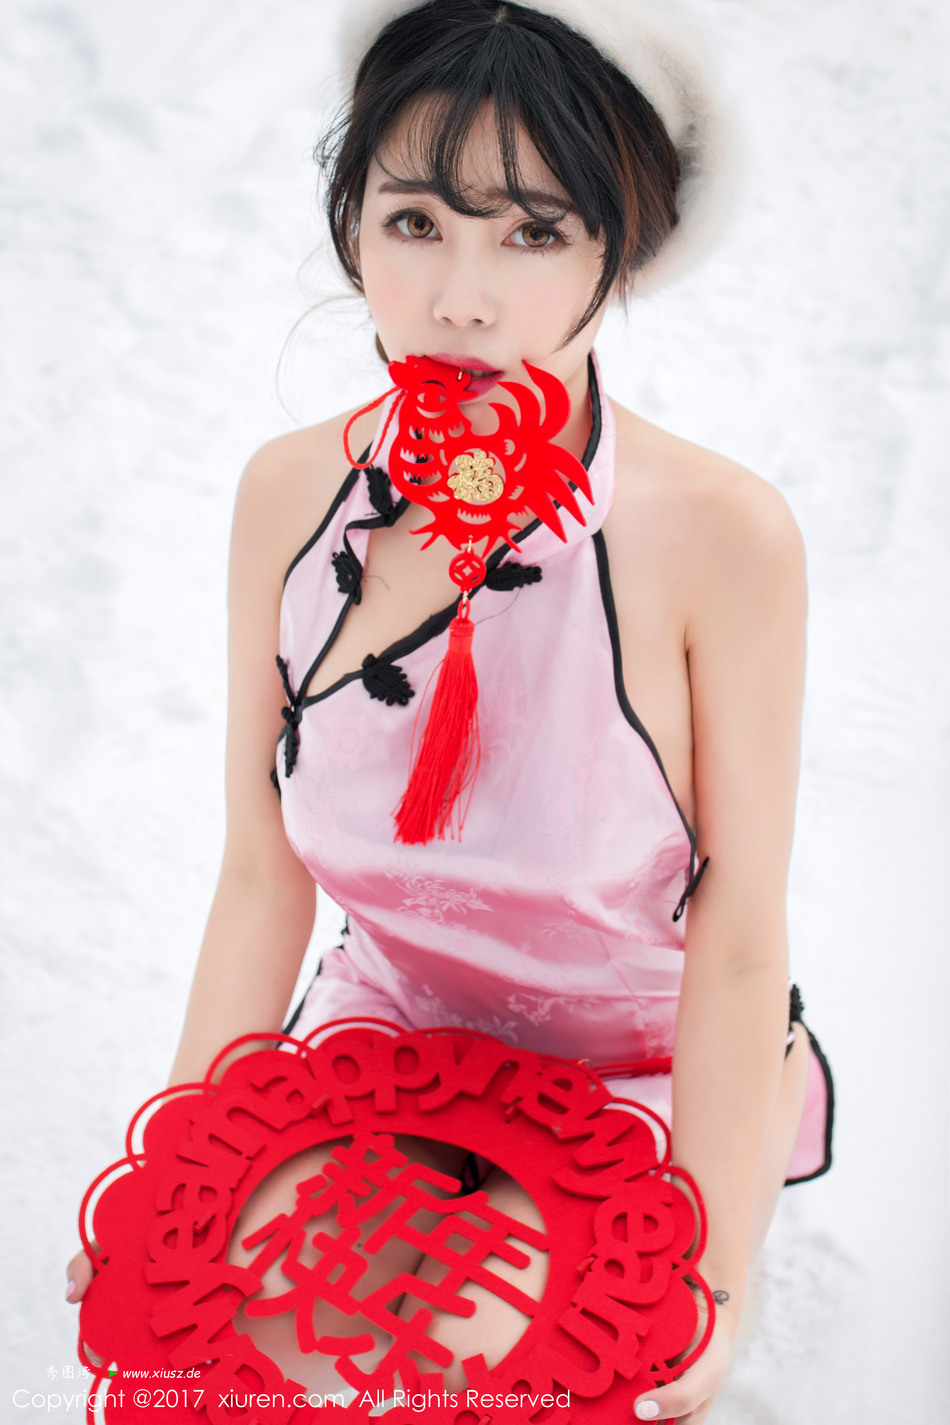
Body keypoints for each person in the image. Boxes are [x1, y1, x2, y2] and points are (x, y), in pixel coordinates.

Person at [66, 1, 833, 1420]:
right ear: (351, 222)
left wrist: (709, 1279)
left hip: (641, 1059)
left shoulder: (720, 534)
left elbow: (738, 939)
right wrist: (176, 1175)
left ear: (626, 249)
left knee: (488, 1374)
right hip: (390, 1031)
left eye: (534, 233)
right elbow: (262, 875)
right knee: (238, 1341)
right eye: (415, 221)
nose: (461, 298)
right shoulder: (290, 494)